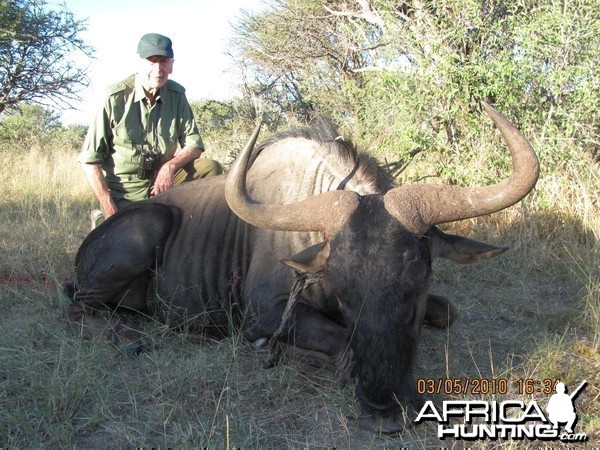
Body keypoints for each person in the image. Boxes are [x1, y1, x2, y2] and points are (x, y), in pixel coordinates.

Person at [78, 33, 223, 229]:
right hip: (127, 192)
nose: (158, 70)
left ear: (171, 64)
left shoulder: (177, 95)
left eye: (163, 61)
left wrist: (169, 168)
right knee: (133, 245)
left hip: (165, 186)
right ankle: (107, 222)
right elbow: (90, 161)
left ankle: (194, 228)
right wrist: (110, 209)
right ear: (140, 63)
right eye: (151, 61)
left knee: (210, 168)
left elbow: (194, 145)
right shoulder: (114, 98)